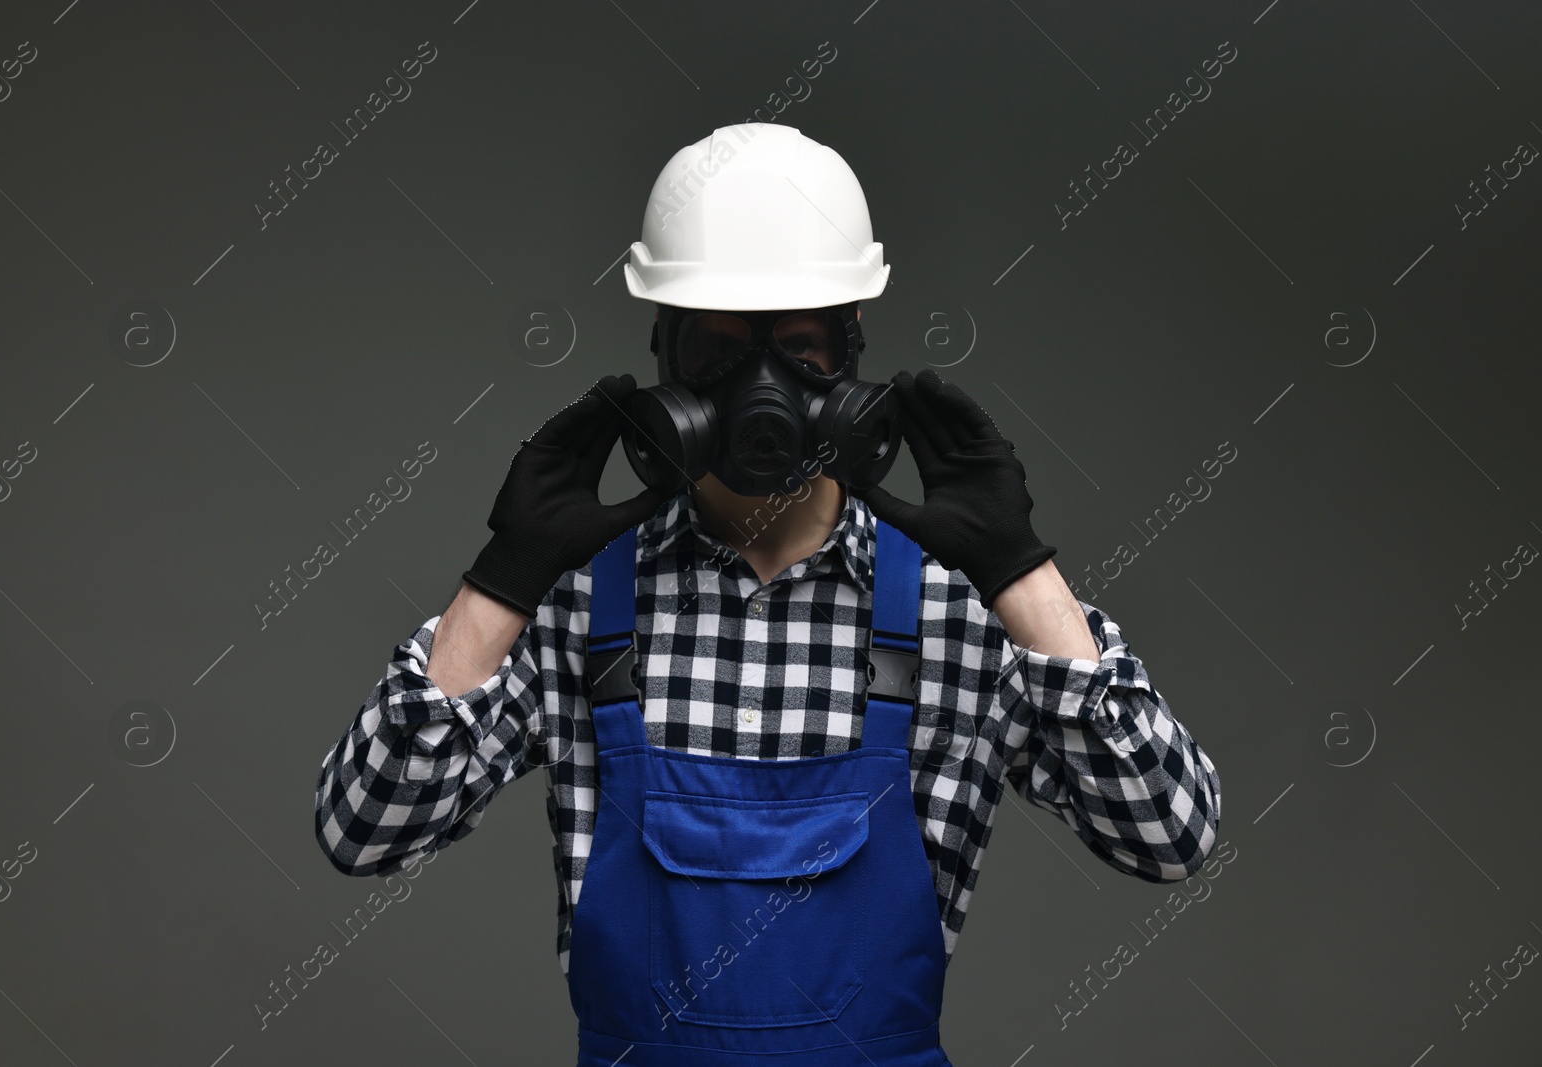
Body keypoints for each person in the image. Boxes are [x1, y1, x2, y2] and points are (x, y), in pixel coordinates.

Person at [314, 124, 1221, 1065]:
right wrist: (501, 579)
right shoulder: (575, 602)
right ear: (659, 353)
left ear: (853, 351)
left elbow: (1172, 837)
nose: (761, 391)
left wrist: (1024, 574)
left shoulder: (961, 610)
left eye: (801, 347)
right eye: (714, 351)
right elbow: (363, 829)